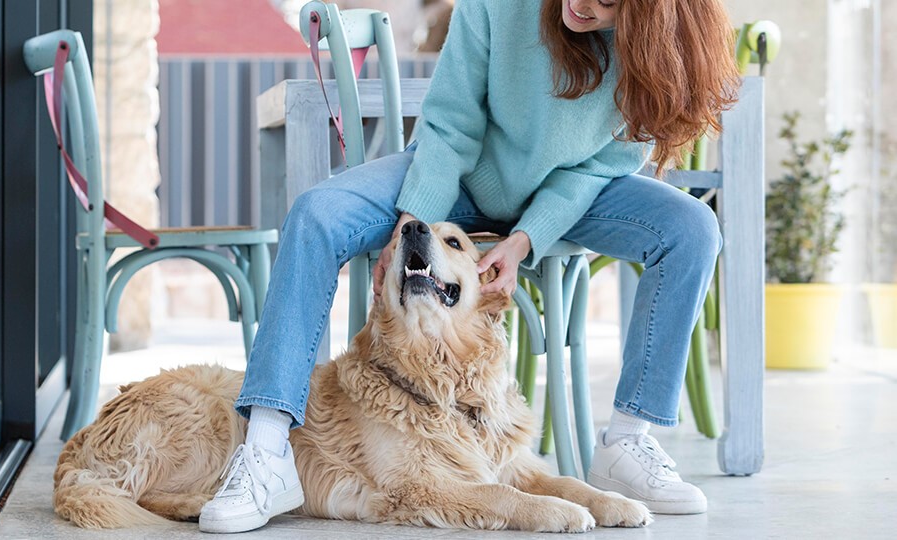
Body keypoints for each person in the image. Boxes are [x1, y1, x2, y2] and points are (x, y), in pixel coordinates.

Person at [197, 0, 740, 532]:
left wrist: (527, 238)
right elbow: (451, 124)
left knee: (692, 228)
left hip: (567, 191)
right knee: (317, 214)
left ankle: (627, 441)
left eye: (605, 2)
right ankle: (266, 450)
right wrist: (415, 228)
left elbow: (597, 169)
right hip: (452, 181)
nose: (580, 5)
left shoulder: (652, 53)